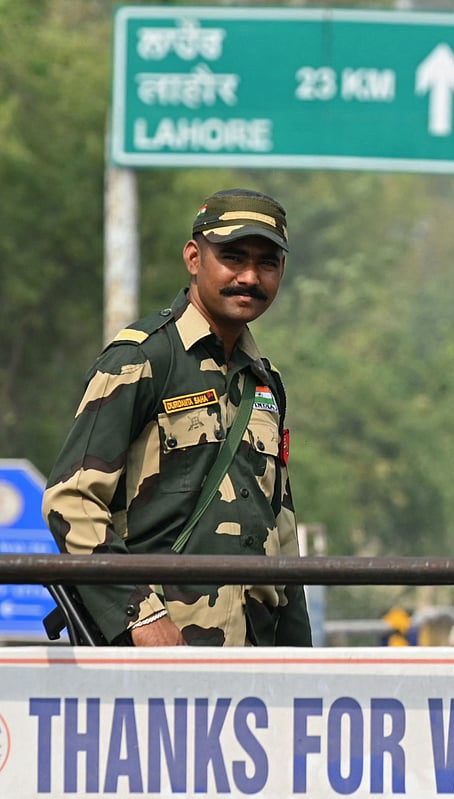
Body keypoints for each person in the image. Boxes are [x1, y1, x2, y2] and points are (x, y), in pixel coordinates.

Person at [42, 188, 311, 647]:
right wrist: (142, 618)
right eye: (233, 257)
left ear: (281, 270)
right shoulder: (142, 361)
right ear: (194, 257)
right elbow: (73, 502)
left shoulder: (265, 382)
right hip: (160, 657)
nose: (249, 277)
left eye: (266, 263)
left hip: (255, 661)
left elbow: (281, 532)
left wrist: (301, 662)